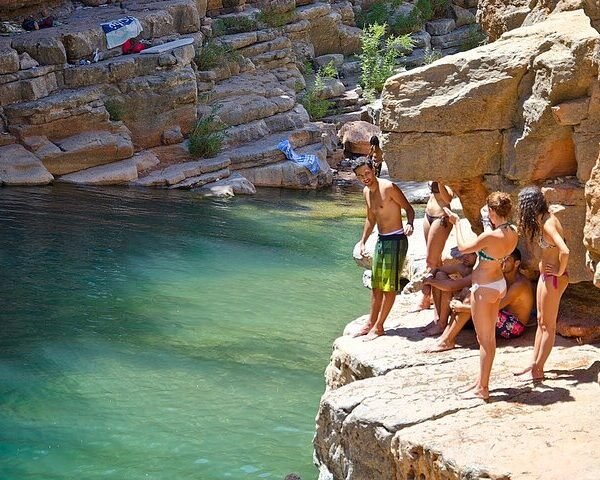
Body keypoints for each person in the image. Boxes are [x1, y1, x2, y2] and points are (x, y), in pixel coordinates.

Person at [444, 192, 518, 400]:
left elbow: (463, 248)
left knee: (484, 340)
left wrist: (457, 223)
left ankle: (483, 388)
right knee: (488, 338)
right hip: (498, 284)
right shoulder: (512, 231)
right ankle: (480, 381)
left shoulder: (490, 237)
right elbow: (490, 242)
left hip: (484, 289)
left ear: (493, 211)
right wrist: (487, 221)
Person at [353, 158, 415, 340]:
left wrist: (410, 223)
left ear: (373, 170)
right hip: (381, 240)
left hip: (396, 240)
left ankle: (379, 327)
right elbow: (370, 219)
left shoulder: (388, 187)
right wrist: (363, 241)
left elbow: (409, 209)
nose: (365, 177)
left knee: (389, 287)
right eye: (360, 176)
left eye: (367, 173)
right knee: (376, 285)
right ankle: (370, 323)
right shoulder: (366, 192)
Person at [426, 248, 534, 352]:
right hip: (498, 316)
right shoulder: (501, 275)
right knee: (471, 294)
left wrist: (463, 308)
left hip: (514, 327)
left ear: (516, 263)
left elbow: (495, 308)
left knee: (470, 302)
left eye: (507, 259)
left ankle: (447, 341)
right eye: (502, 258)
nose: (502, 262)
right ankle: (445, 335)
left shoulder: (519, 285)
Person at [514, 186, 569, 381]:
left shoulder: (548, 224)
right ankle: (534, 364)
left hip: (553, 279)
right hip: (546, 276)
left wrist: (559, 271)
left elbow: (565, 250)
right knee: (540, 322)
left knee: (548, 326)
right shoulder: (544, 218)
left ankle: (538, 371)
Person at [418, 181, 454, 319]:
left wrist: (439, 181)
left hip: (441, 217)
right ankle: (434, 298)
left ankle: (426, 297)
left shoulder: (446, 175)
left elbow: (448, 199)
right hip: (428, 214)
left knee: (431, 261)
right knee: (435, 260)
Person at [421, 252, 476, 336]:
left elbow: (451, 287)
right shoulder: (462, 267)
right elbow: (438, 268)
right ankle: (439, 321)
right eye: (464, 253)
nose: (466, 257)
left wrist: (429, 281)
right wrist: (428, 280)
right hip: (457, 308)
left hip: (469, 314)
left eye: (471, 254)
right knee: (440, 275)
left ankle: (442, 324)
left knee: (464, 290)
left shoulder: (478, 272)